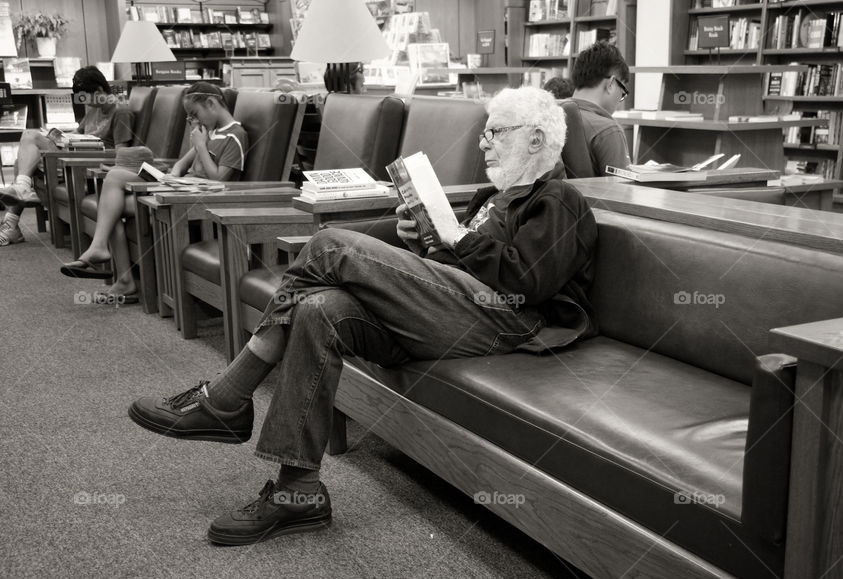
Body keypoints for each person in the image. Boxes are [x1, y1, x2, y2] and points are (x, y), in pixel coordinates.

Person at [127, 87, 599, 546]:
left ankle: (227, 397)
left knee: (327, 244)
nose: (483, 143)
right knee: (318, 309)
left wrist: (456, 238)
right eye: (485, 133)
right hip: (453, 312)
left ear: (536, 139)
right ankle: (298, 491)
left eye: (496, 133)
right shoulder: (491, 196)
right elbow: (457, 268)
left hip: (506, 320)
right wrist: (423, 242)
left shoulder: (558, 198)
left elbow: (528, 280)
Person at [58, 82, 248, 304]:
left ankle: (113, 266)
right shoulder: (210, 131)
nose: (193, 121)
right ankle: (114, 267)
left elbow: (219, 180)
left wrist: (201, 146)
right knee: (112, 191)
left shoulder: (236, 135)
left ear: (211, 103)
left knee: (112, 197)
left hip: (197, 199)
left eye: (194, 115)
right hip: (180, 188)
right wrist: (173, 175)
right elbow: (181, 164)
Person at [0, 66, 135, 247]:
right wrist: (54, 136)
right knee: (22, 159)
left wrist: (87, 148)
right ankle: (13, 218)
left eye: (85, 97)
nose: (84, 101)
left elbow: (121, 152)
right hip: (72, 155)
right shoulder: (94, 109)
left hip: (86, 164)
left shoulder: (121, 112)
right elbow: (77, 134)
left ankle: (17, 203)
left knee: (29, 137)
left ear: (99, 91)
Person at [569, 41, 632, 176]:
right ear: (611, 84)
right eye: (622, 93)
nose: (619, 101)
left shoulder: (548, 114)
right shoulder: (608, 130)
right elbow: (621, 187)